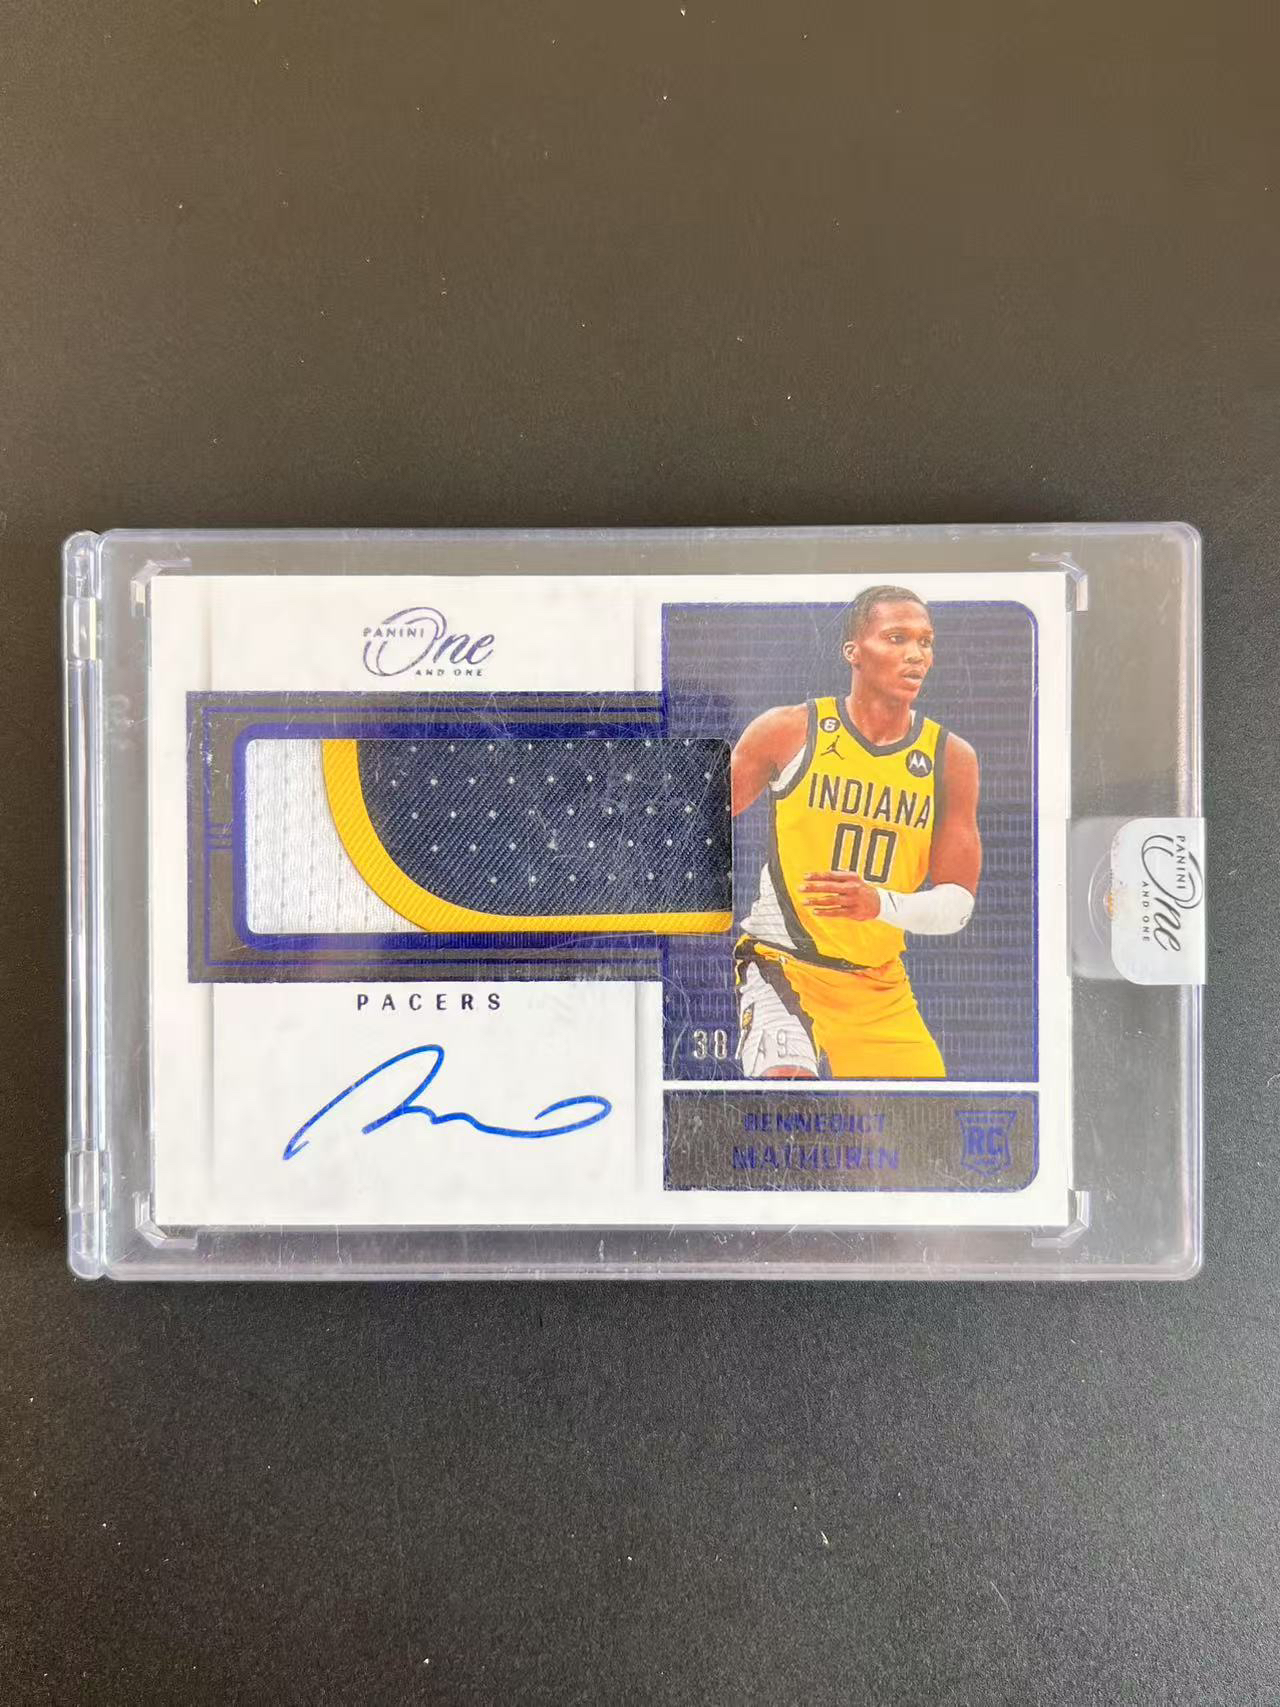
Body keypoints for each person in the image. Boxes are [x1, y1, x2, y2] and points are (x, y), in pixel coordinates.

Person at [730, 585, 981, 1079]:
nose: (916, 655)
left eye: (925, 642)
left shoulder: (951, 758)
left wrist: (879, 904)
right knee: (786, 1095)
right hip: (784, 962)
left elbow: (958, 905)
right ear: (853, 651)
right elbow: (694, 822)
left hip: (878, 986)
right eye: (896, 638)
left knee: (924, 1124)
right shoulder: (789, 730)